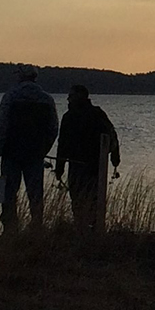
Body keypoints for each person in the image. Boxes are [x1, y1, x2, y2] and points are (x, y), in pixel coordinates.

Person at [0, 65, 58, 231]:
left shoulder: (10, 96)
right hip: (35, 153)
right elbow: (53, 129)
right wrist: (44, 149)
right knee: (35, 193)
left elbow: (2, 125)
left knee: (9, 192)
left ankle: (10, 229)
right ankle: (36, 227)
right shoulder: (46, 99)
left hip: (11, 152)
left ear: (21, 77)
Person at [54, 84, 120, 233]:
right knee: (94, 199)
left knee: (78, 200)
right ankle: (93, 230)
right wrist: (115, 159)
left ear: (80, 96)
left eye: (71, 96)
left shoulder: (69, 117)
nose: (68, 99)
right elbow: (112, 136)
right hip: (96, 166)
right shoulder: (98, 114)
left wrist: (59, 168)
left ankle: (82, 229)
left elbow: (62, 145)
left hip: (80, 166)